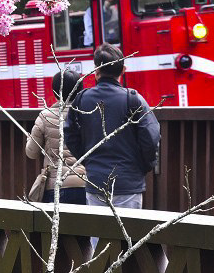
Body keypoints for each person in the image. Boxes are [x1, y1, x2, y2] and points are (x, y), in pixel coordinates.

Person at [65, 44, 160, 210]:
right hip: (128, 181)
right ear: (123, 70)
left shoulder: (82, 99)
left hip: (95, 179)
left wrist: (88, 159)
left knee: (97, 234)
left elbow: (70, 134)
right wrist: (143, 165)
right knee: (127, 234)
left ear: (96, 71)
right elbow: (151, 137)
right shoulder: (134, 100)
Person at [25, 70, 88, 205]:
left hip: (57, 186)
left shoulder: (45, 116)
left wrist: (30, 138)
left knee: (58, 226)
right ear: (81, 90)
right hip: (86, 184)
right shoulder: (88, 114)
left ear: (54, 92)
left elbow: (31, 153)